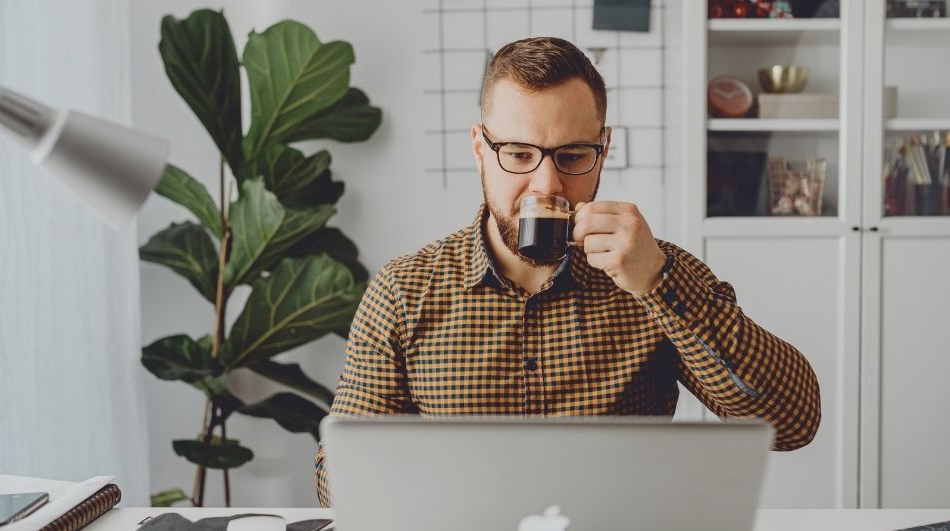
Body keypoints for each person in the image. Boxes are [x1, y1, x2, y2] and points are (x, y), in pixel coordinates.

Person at [314, 37, 820, 507]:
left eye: (573, 156)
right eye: (518, 154)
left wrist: (660, 284)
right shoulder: (405, 290)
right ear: (480, 150)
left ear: (603, 150)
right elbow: (340, 484)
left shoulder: (655, 272)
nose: (547, 185)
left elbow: (793, 424)